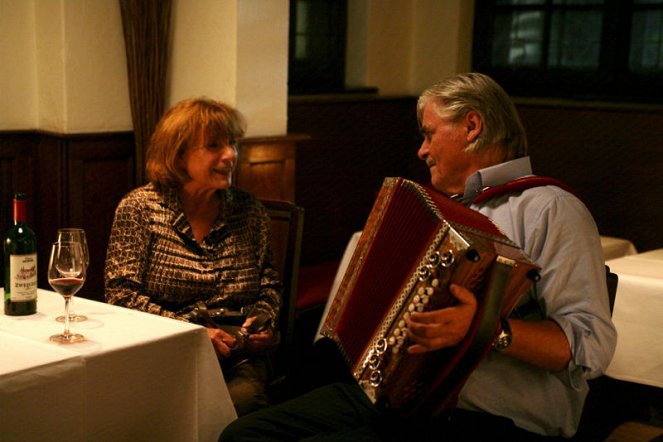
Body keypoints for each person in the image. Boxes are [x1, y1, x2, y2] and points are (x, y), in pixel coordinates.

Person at [219, 73, 617, 440]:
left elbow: (590, 348)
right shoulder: (438, 211)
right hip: (397, 399)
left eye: (428, 134)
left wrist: (485, 328)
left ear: (472, 126)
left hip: (489, 416)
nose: (422, 150)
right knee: (242, 435)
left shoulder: (550, 208)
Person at [105, 97, 282, 417]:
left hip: (236, 359)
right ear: (178, 154)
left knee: (239, 407)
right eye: (214, 146)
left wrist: (264, 323)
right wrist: (192, 334)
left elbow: (269, 285)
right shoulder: (141, 208)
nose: (231, 155)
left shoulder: (249, 210)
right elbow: (120, 295)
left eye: (233, 143)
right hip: (161, 353)